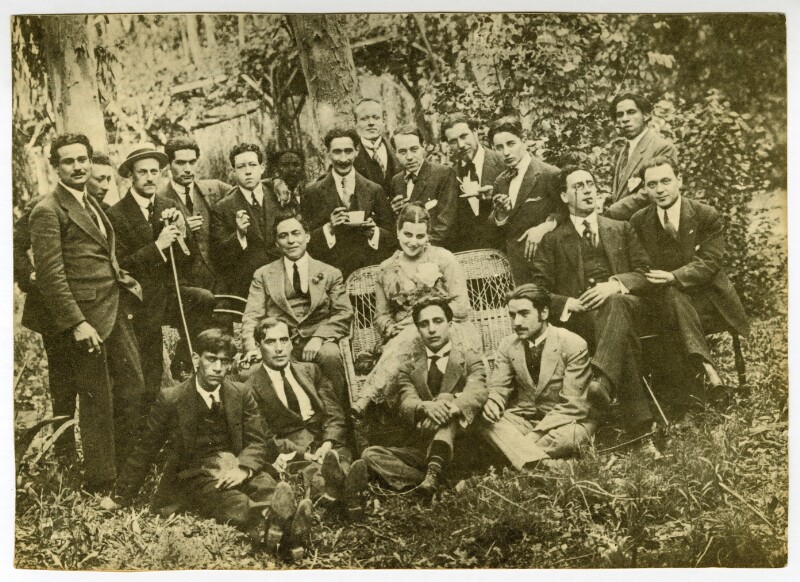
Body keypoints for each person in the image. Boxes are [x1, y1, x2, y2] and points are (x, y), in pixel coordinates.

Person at [111, 329, 313, 558]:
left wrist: (244, 469)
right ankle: (280, 526)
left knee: (265, 484)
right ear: (196, 358)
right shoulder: (172, 398)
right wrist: (120, 496)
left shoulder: (240, 393)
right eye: (211, 359)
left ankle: (280, 527)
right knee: (232, 501)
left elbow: (257, 441)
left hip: (236, 464)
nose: (218, 367)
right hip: (198, 475)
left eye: (225, 361)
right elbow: (146, 448)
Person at [27, 133, 146, 491]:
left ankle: (127, 467)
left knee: (133, 387)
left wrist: (124, 283)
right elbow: (51, 276)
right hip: (85, 316)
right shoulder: (48, 211)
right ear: (55, 167)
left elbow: (104, 255)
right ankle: (102, 480)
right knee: (97, 399)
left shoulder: (91, 202)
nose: (78, 167)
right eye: (68, 161)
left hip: (113, 307)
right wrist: (77, 322)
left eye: (83, 159)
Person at [531, 165, 659, 450]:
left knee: (616, 302)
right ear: (564, 196)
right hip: (583, 321)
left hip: (632, 309)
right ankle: (641, 431)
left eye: (590, 184)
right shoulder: (553, 240)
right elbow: (539, 291)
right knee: (622, 337)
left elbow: (645, 273)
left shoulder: (621, 228)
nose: (588, 190)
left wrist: (615, 284)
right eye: (578, 186)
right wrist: (569, 303)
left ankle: (604, 380)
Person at [630, 156, 750, 401]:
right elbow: (639, 265)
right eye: (652, 184)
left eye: (666, 181)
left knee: (674, 296)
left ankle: (701, 377)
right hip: (664, 300)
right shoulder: (639, 221)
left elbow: (710, 262)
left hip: (708, 299)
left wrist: (673, 276)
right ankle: (708, 373)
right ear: (645, 189)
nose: (660, 189)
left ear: (679, 180)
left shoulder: (705, 215)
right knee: (672, 298)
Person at [351, 204, 481, 414]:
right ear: (397, 231)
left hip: (449, 329)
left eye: (420, 236)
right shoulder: (385, 269)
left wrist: (418, 321)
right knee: (411, 335)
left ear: (428, 235)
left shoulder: (443, 259)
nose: (413, 242)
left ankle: (367, 397)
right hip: (403, 338)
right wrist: (391, 327)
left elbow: (461, 307)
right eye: (407, 234)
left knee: (415, 331)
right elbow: (381, 316)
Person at [107, 144, 215, 396]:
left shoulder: (167, 205)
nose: (149, 178)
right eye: (142, 172)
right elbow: (121, 266)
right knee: (149, 371)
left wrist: (182, 234)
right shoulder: (116, 215)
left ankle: (184, 359)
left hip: (168, 292)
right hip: (139, 300)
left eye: (154, 171)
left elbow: (186, 262)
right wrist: (158, 246)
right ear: (130, 176)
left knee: (203, 299)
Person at [361, 297, 487, 495]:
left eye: (438, 321)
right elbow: (407, 401)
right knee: (370, 454)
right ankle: (431, 483)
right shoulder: (409, 367)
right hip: (423, 447)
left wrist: (450, 406)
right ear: (418, 330)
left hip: (460, 447)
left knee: (446, 399)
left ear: (450, 324)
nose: (431, 329)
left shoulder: (469, 359)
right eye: (424, 324)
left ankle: (427, 480)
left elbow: (477, 390)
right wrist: (425, 407)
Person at [245, 318, 368, 516]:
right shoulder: (251, 387)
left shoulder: (311, 371)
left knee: (338, 459)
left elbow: (334, 413)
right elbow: (265, 436)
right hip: (293, 450)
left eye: (284, 340)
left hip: (324, 441)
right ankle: (347, 495)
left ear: (291, 343)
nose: (279, 348)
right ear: (258, 346)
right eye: (270, 342)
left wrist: (328, 442)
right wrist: (303, 453)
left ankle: (341, 488)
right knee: (311, 471)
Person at [241, 209, 353, 405]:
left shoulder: (330, 272)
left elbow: (343, 313)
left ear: (307, 236)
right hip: (280, 342)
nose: (291, 240)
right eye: (283, 236)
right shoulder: (263, 275)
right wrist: (252, 348)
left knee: (331, 355)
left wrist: (319, 338)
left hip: (319, 338)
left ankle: (337, 415)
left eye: (296, 233)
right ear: (277, 243)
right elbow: (252, 316)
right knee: (254, 370)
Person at [480, 284, 595, 469]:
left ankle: (519, 458)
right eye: (512, 315)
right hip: (523, 420)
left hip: (563, 422)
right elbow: (499, 386)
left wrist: (530, 438)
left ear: (544, 313)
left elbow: (574, 406)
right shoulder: (507, 345)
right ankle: (548, 465)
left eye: (524, 314)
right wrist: (493, 401)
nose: (517, 322)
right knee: (486, 422)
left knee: (571, 437)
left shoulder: (573, 344)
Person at [301, 127, 396, 280]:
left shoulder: (374, 190)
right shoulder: (312, 193)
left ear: (357, 151)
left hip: (366, 275)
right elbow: (305, 240)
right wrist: (329, 228)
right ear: (327, 153)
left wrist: (374, 232)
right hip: (330, 275)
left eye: (348, 151)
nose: (343, 158)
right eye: (337, 152)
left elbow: (391, 236)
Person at [488, 116, 563, 284]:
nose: (506, 152)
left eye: (511, 144)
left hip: (547, 263)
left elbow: (567, 213)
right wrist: (501, 215)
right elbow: (494, 231)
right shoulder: (500, 180)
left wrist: (545, 227)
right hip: (516, 267)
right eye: (499, 147)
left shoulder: (550, 174)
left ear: (524, 140)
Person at [158, 136, 232, 292]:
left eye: (192, 162)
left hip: (221, 282)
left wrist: (276, 181)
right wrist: (182, 231)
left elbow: (247, 190)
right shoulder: (159, 199)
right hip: (186, 288)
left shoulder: (214, 189)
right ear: (169, 164)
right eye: (180, 163)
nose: (187, 169)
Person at [210, 143, 282, 299]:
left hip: (283, 278)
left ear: (262, 168)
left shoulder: (279, 195)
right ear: (233, 172)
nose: (248, 171)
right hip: (248, 287)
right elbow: (219, 256)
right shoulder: (222, 208)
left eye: (252, 165)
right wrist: (239, 235)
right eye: (241, 167)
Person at [604, 92, 678, 221]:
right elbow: (621, 192)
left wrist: (613, 211)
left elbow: (652, 192)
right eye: (619, 115)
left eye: (631, 112)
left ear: (646, 115)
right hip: (622, 225)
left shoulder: (662, 147)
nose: (625, 119)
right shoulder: (623, 151)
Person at [440, 113, 506, 252]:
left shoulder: (503, 162)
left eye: (464, 136)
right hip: (469, 255)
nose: (461, 145)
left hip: (503, 250)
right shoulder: (450, 175)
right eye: (453, 141)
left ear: (475, 131)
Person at [388, 125, 458, 247]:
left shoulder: (444, 174)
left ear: (423, 147)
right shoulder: (396, 181)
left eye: (414, 149)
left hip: (435, 248)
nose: (409, 157)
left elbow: (445, 223)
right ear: (395, 153)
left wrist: (419, 246)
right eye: (402, 151)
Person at [352, 97, 401, 197]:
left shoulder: (397, 149)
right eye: (364, 119)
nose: (371, 123)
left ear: (384, 120)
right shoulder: (350, 154)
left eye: (376, 117)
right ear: (355, 122)